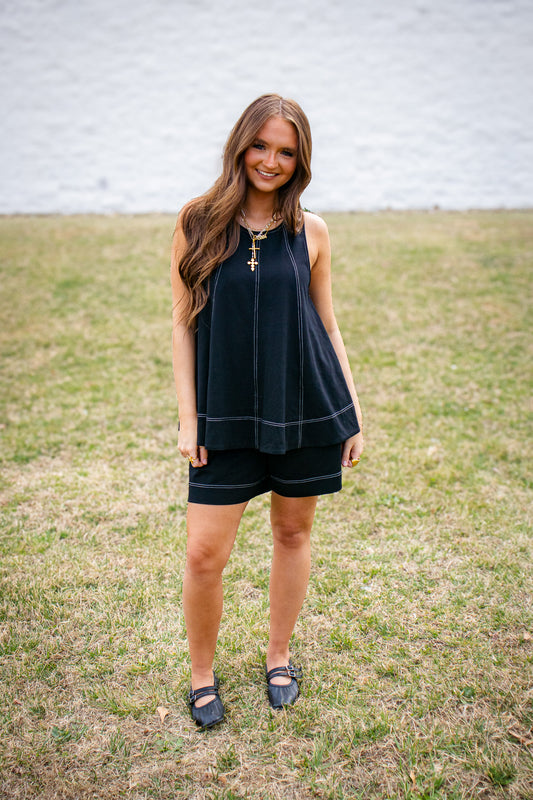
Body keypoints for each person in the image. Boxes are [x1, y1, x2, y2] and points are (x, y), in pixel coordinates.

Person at [171, 94, 364, 729]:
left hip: (303, 401)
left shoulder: (312, 231)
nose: (271, 161)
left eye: (286, 151)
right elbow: (181, 327)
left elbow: (327, 325)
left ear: (300, 159)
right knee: (205, 552)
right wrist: (188, 419)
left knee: (292, 532)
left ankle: (279, 656)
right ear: (240, 145)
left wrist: (352, 411)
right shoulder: (196, 222)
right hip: (223, 411)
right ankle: (202, 675)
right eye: (261, 146)